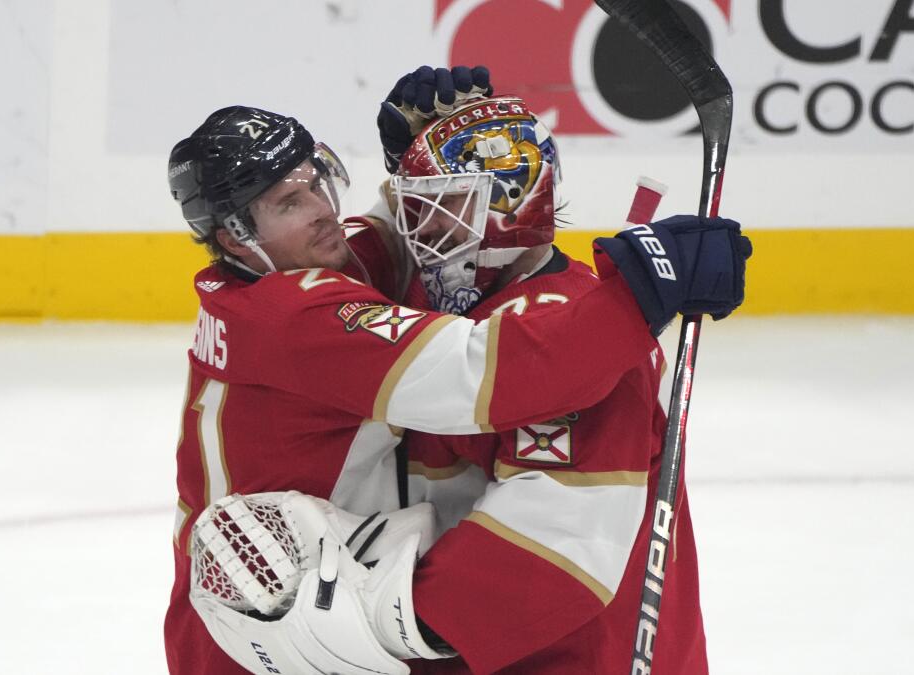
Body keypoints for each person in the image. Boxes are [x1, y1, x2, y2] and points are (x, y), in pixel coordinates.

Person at [162, 70, 750, 675]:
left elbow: (388, 234)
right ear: (235, 238)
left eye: (317, 184)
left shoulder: (281, 276)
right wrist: (641, 295)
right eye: (289, 203)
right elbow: (481, 370)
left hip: (277, 613)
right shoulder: (298, 315)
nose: (323, 213)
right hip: (269, 633)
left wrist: (431, 157)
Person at [383, 94, 725, 674]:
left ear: (509, 210)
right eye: (421, 207)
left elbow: (555, 553)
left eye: (447, 207)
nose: (423, 229)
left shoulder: (568, 342)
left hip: (577, 654)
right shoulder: (479, 303)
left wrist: (382, 625)